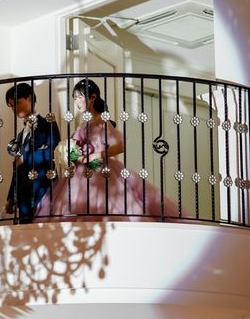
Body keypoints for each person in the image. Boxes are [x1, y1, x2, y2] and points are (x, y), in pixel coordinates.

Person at [35, 79, 180, 220]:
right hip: (80, 173)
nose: (77, 101)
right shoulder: (83, 124)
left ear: (93, 97)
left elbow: (120, 146)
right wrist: (72, 154)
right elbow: (75, 145)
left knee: (103, 207)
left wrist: (95, 155)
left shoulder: (102, 120)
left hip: (99, 170)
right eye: (75, 98)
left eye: (80, 97)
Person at [5, 83, 60, 223]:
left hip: (44, 190)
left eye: (17, 102)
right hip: (24, 197)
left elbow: (53, 154)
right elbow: (17, 168)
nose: (14, 108)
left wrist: (25, 158)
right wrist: (11, 197)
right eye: (11, 105)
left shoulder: (48, 124)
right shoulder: (20, 135)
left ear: (30, 98)